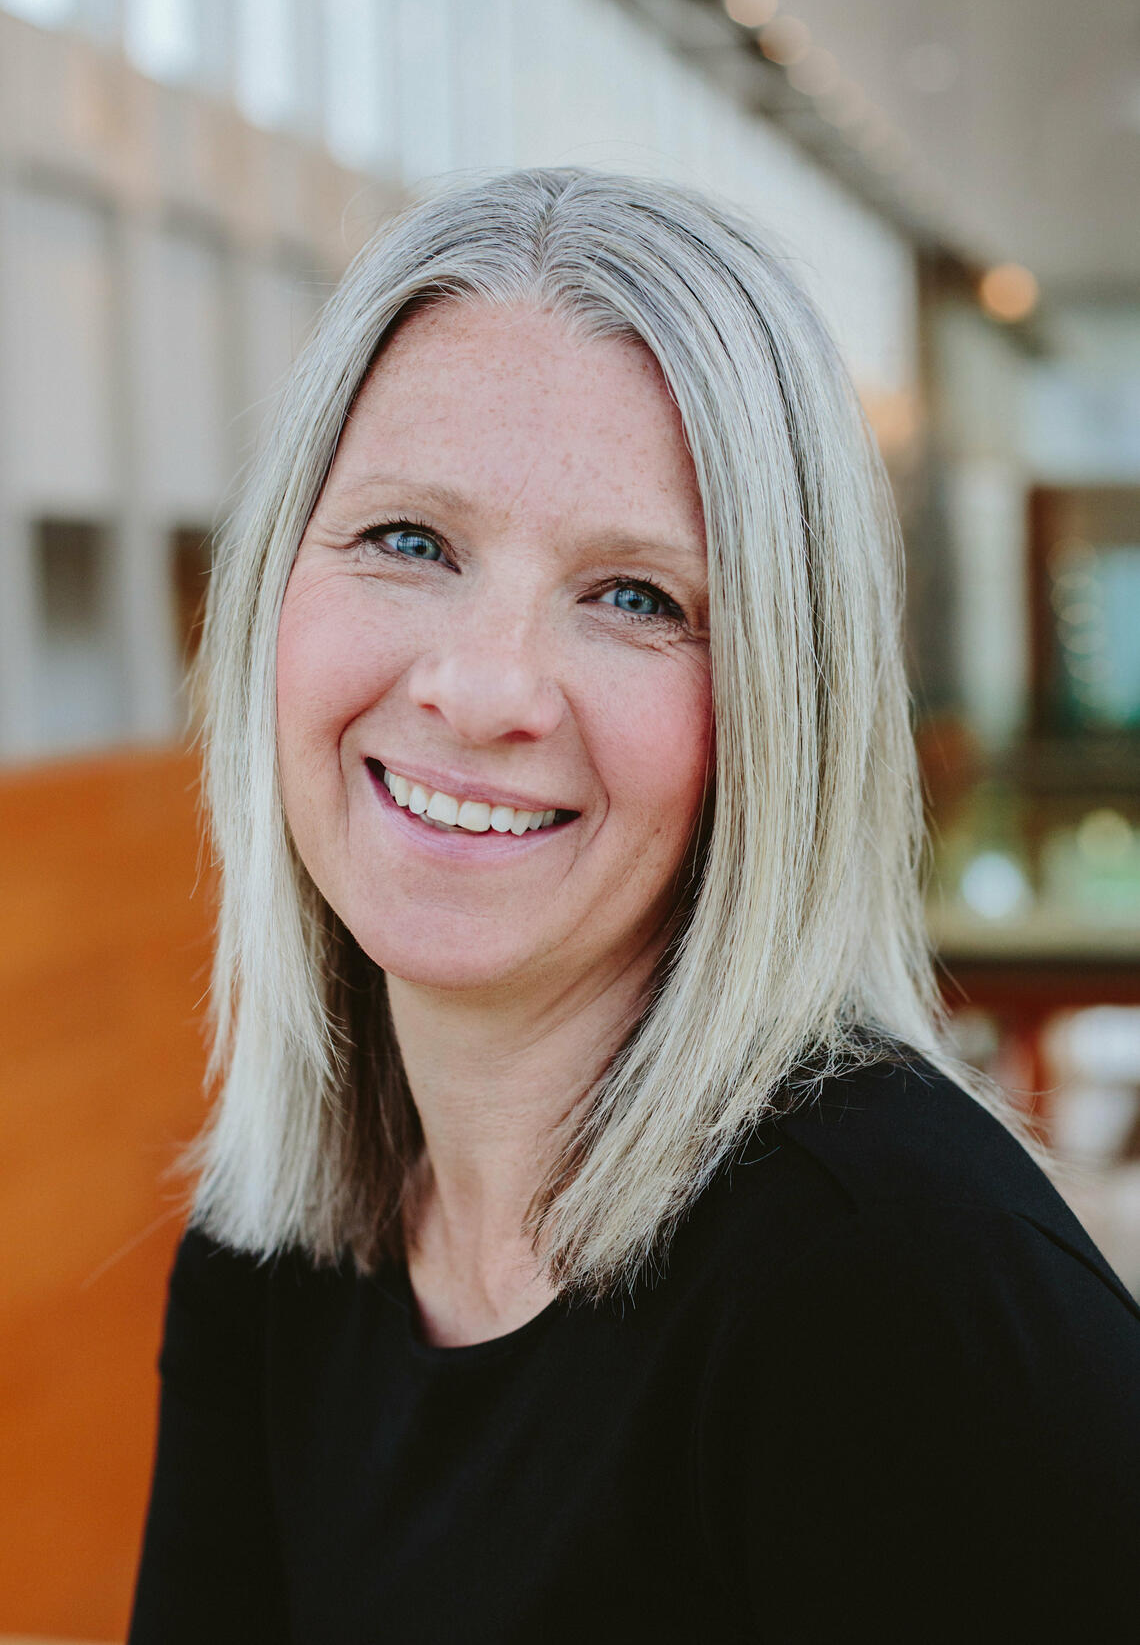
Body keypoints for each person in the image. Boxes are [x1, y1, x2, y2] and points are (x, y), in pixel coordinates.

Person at [128, 167, 1140, 1644]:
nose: (482, 687)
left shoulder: (900, 1298)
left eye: (637, 598)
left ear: (776, 714)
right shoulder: (271, 1253)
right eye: (411, 540)